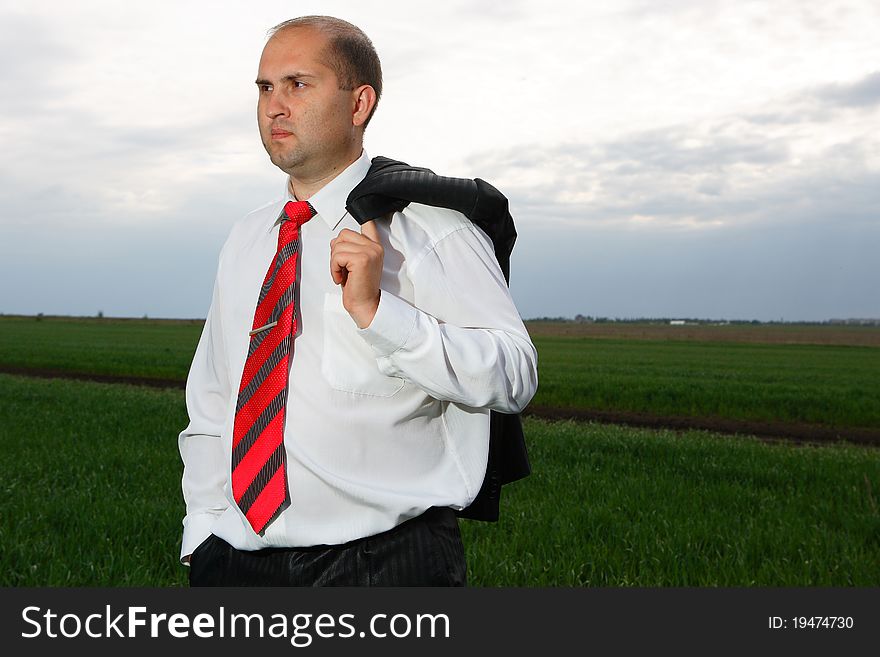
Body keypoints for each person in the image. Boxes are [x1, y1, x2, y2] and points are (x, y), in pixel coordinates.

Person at [178, 15, 538, 586]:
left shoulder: (430, 228)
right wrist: (202, 530)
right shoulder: (248, 238)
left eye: (298, 84)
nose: (275, 106)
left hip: (383, 565)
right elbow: (215, 395)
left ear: (359, 103)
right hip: (234, 560)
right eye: (265, 88)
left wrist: (380, 315)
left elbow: (515, 375)